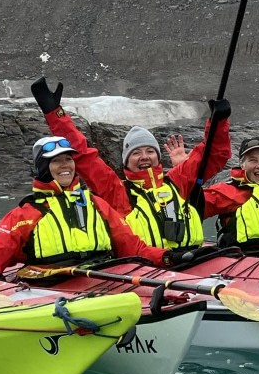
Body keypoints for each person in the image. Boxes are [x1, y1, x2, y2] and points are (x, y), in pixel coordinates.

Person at [30, 77, 231, 261]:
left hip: (191, 259)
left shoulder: (177, 181)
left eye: (150, 151)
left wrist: (218, 121)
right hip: (146, 266)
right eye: (136, 153)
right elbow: (83, 155)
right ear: (125, 161)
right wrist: (55, 113)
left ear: (158, 157)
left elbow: (214, 154)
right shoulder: (117, 191)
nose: (144, 157)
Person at [0, 136, 174, 273]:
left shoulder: (96, 204)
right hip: (54, 285)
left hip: (102, 276)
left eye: (68, 159)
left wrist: (166, 256)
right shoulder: (25, 214)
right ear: (43, 168)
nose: (66, 166)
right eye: (56, 161)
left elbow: (133, 247)